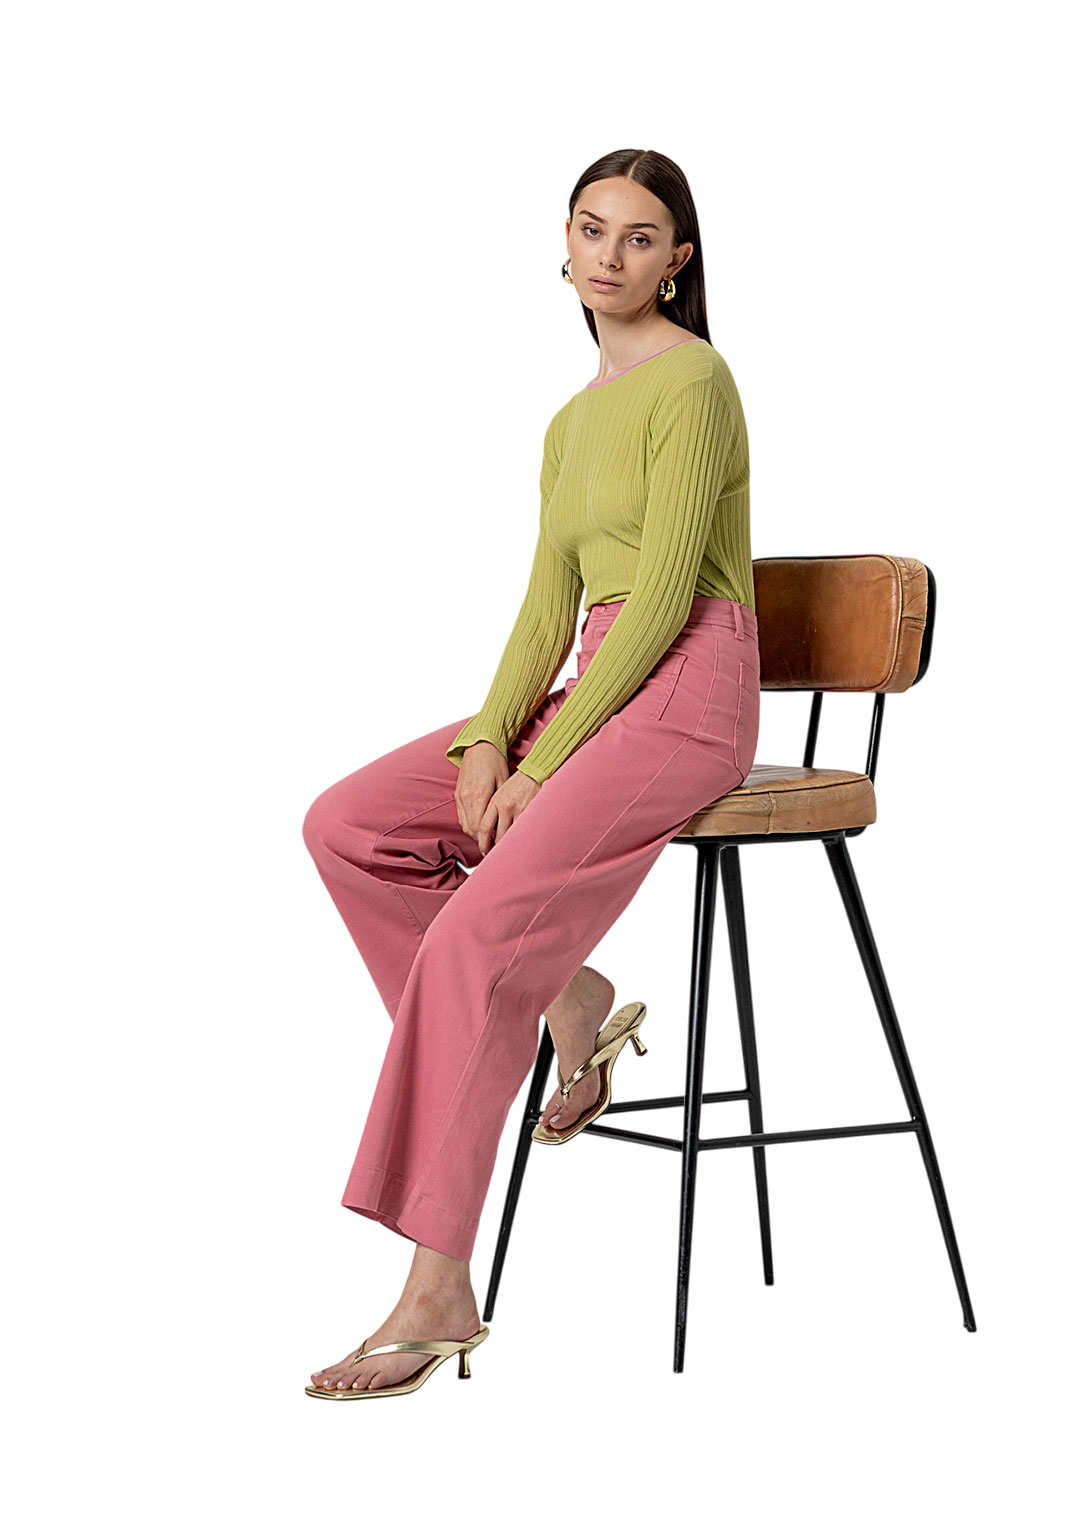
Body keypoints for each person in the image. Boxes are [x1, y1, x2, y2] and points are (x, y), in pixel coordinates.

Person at [302, 147, 760, 1397]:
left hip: (687, 686)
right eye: (591, 228)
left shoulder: (695, 380)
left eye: (639, 237)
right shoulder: (569, 420)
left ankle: (437, 1290)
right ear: (562, 245)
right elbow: (547, 605)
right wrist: (490, 740)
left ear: (676, 263)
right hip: (591, 679)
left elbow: (660, 598)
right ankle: (566, 1000)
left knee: (468, 945)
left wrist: (544, 761)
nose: (610, 254)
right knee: (346, 825)